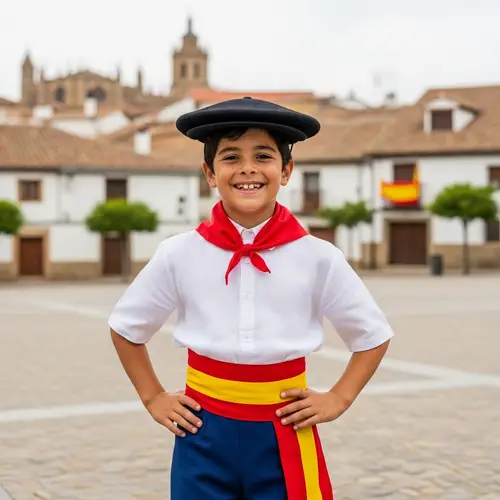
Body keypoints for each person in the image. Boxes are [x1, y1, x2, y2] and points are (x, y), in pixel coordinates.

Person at [107, 96, 394, 500]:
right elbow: (126, 329)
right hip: (203, 431)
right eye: (230, 157)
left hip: (285, 430)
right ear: (209, 173)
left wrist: (339, 397)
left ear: (286, 170)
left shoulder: (318, 257)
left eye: (263, 156)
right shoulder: (179, 253)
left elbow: (373, 335)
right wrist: (153, 396)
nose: (247, 168)